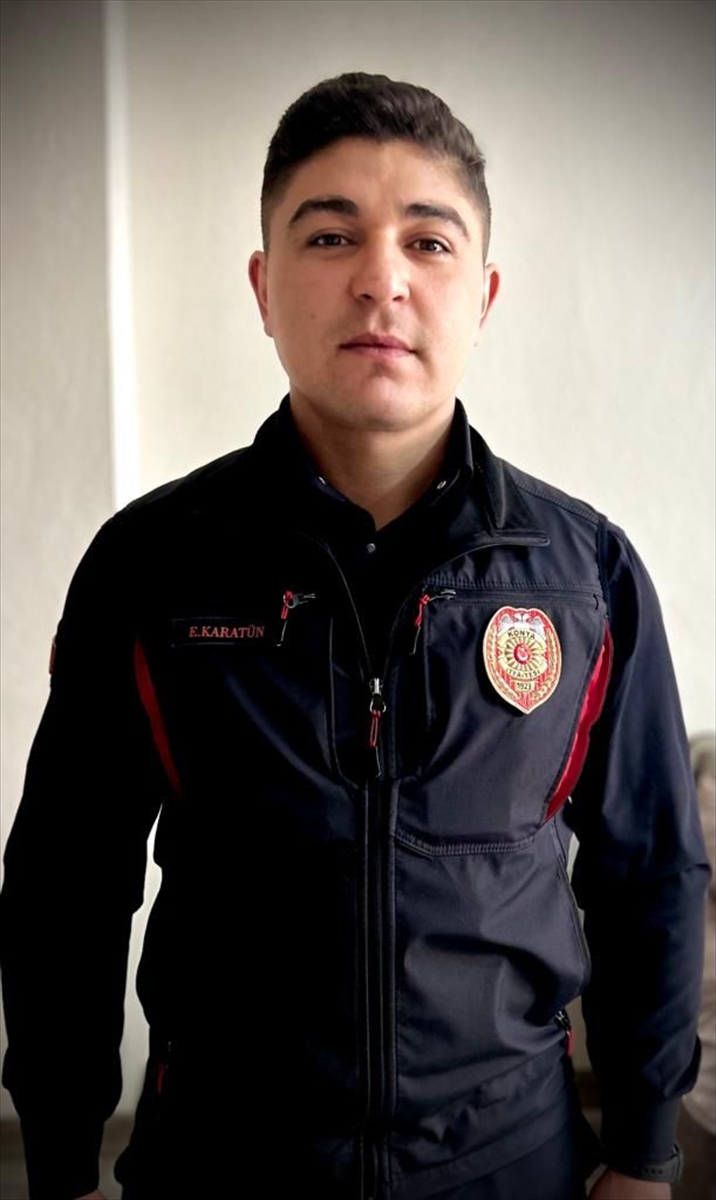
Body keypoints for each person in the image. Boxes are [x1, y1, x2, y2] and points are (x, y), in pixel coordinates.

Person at [1, 72, 710, 1200]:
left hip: (508, 1161)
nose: (381, 279)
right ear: (263, 287)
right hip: (220, 1162)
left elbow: (649, 873)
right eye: (330, 236)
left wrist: (643, 1151)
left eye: (427, 243)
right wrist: (58, 1160)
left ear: (482, 295)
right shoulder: (151, 565)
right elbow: (65, 883)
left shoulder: (585, 578)